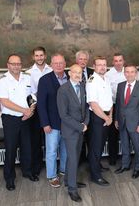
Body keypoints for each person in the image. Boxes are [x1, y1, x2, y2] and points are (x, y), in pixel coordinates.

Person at [0, 54, 38, 191]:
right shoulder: (2, 80)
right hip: (11, 120)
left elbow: (32, 96)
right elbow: (4, 101)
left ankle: (27, 172)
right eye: (13, 64)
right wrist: (23, 110)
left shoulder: (27, 77)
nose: (16, 66)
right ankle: (9, 178)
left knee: (27, 147)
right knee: (11, 149)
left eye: (18, 64)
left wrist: (31, 110)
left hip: (27, 118)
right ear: (8, 65)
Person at [57, 64, 90, 202]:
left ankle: (69, 181)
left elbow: (86, 108)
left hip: (81, 129)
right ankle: (72, 189)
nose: (78, 75)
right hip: (71, 131)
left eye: (80, 72)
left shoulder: (82, 86)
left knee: (73, 157)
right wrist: (79, 126)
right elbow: (63, 115)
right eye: (75, 72)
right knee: (74, 158)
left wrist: (86, 123)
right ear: (69, 73)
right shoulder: (63, 90)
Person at [37, 53, 69, 188]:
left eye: (61, 63)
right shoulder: (44, 80)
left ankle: (63, 170)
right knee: (51, 151)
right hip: (52, 123)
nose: (58, 65)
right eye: (56, 63)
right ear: (51, 64)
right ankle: (52, 175)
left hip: (68, 123)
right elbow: (41, 104)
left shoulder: (70, 77)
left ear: (65, 64)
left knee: (65, 149)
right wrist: (45, 123)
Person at [114, 64, 139, 179]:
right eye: (127, 72)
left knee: (137, 146)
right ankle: (125, 165)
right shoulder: (120, 86)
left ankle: (137, 167)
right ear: (124, 73)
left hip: (135, 124)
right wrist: (116, 119)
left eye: (132, 72)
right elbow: (118, 105)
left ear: (136, 73)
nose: (129, 74)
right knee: (124, 145)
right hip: (122, 122)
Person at [86, 56, 113, 186]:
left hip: (107, 116)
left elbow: (110, 100)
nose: (102, 67)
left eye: (104, 64)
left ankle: (96, 165)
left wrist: (111, 116)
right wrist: (106, 118)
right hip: (98, 117)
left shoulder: (107, 79)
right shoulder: (92, 81)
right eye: (99, 65)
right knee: (95, 147)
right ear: (94, 66)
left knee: (101, 144)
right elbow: (94, 104)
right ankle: (95, 175)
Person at [26, 46, 52, 177]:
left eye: (41, 55)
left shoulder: (52, 70)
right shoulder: (28, 73)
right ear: (33, 57)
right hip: (35, 110)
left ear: (45, 56)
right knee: (35, 140)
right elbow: (29, 94)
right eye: (37, 55)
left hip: (50, 110)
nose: (39, 58)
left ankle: (51, 166)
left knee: (50, 139)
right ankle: (36, 167)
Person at [105, 53, 126, 166]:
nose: (118, 63)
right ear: (113, 62)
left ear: (123, 61)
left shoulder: (128, 72)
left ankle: (126, 157)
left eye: (120, 60)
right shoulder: (108, 75)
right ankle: (113, 158)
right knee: (112, 134)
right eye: (116, 61)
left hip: (127, 107)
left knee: (125, 132)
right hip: (113, 106)